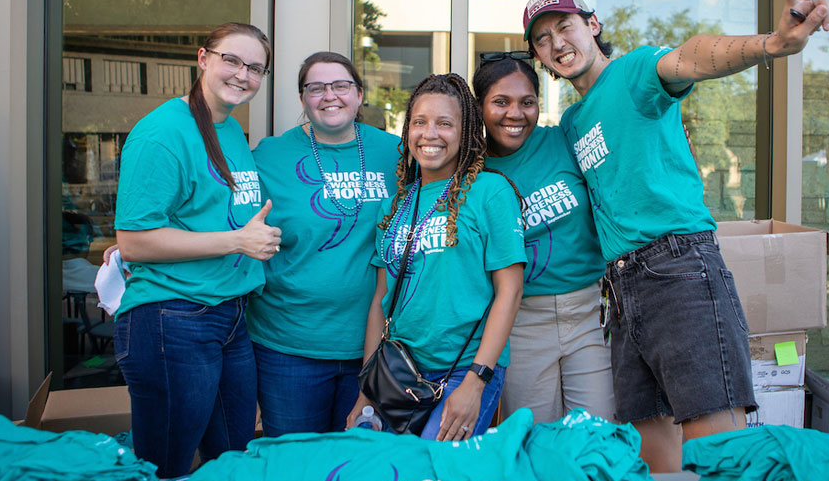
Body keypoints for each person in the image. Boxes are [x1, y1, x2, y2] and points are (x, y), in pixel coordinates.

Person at [521, 0, 829, 472]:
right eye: (542, 39)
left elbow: (692, 57)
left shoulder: (634, 72)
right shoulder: (573, 122)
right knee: (652, 448)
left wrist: (770, 45)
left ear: (592, 25)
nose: (556, 43)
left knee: (716, 446)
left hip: (678, 269)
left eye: (565, 27)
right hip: (621, 290)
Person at [112, 22, 281, 478]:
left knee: (230, 461)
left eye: (256, 68)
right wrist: (238, 241)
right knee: (166, 468)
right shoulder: (163, 133)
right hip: (173, 319)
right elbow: (134, 241)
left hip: (228, 315)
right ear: (204, 58)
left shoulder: (228, 129)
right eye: (232, 60)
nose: (243, 75)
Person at [346, 73, 526, 440]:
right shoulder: (395, 204)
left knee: (435, 473)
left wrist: (477, 381)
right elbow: (380, 303)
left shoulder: (489, 192)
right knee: (391, 473)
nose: (430, 134)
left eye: (445, 123)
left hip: (464, 370)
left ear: (466, 132)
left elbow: (510, 292)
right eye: (419, 122)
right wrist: (367, 391)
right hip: (399, 374)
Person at [246, 52, 400, 435]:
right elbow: (225, 208)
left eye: (341, 85)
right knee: (297, 465)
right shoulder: (269, 155)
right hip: (289, 346)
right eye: (316, 88)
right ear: (303, 99)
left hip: (375, 347)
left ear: (360, 94)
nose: (329, 95)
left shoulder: (398, 153)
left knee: (357, 465)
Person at [471, 52, 614, 423]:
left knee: (596, 435)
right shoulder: (472, 171)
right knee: (533, 442)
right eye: (500, 102)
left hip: (587, 314)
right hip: (519, 323)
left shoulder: (565, 138)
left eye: (527, 102)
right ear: (479, 106)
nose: (515, 114)